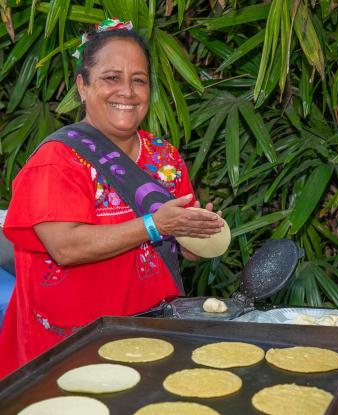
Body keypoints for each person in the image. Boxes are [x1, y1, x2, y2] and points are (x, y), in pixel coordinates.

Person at [0, 19, 223, 379]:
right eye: (111, 78)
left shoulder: (164, 157)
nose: (128, 91)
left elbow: (181, 249)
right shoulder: (58, 159)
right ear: (82, 86)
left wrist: (197, 234)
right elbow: (65, 247)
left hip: (153, 334)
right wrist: (155, 224)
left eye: (139, 79)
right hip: (71, 344)